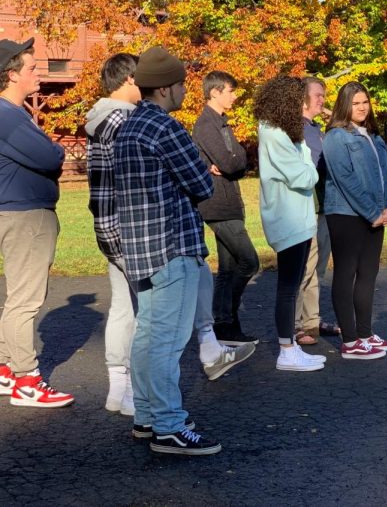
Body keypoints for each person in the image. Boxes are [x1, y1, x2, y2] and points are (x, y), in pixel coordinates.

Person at [116, 45, 226, 455]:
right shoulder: (166, 128)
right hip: (172, 245)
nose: (184, 91)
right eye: (181, 84)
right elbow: (201, 183)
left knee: (147, 335)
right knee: (167, 340)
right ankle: (167, 426)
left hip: (139, 246)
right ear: (164, 88)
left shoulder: (127, 126)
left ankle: (146, 416)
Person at [0, 37, 73, 408]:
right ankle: (27, 380)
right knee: (25, 299)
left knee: (17, 296)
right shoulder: (8, 115)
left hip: (14, 210)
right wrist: (56, 150)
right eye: (31, 68)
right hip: (26, 214)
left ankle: (5, 370)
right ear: (11, 75)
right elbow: (50, 155)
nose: (38, 75)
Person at [255, 75, 327, 372]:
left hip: (296, 218)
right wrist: (308, 155)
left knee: (293, 285)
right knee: (287, 288)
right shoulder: (275, 134)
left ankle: (291, 346)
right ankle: (286, 349)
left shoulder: (282, 132)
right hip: (288, 220)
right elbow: (306, 177)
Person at [323, 81, 387, 360]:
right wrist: (372, 212)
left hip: (376, 215)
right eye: (356, 103)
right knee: (347, 273)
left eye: (365, 102)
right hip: (346, 214)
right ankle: (350, 340)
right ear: (345, 105)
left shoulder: (374, 137)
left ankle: (365, 334)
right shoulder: (335, 137)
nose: (362, 107)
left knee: (368, 274)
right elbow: (345, 179)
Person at [85, 52, 141, 415]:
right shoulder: (122, 120)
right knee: (146, 311)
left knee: (122, 308)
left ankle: (118, 389)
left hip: (106, 223)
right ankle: (135, 390)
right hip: (131, 226)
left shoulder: (98, 117)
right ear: (129, 80)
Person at [193, 70, 260, 346]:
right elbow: (232, 163)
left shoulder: (222, 124)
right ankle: (224, 319)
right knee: (249, 261)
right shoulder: (206, 126)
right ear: (215, 93)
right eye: (230, 91)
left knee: (229, 268)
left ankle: (225, 326)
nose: (234, 96)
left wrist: (235, 161)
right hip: (217, 205)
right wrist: (234, 162)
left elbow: (239, 160)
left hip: (229, 202)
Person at [294, 76, 340, 345]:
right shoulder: (295, 130)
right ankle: (296, 325)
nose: (322, 100)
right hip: (306, 208)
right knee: (304, 268)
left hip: (324, 206)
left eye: (324, 95)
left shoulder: (317, 129)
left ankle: (312, 321)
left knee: (318, 268)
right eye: (317, 95)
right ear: (302, 98)